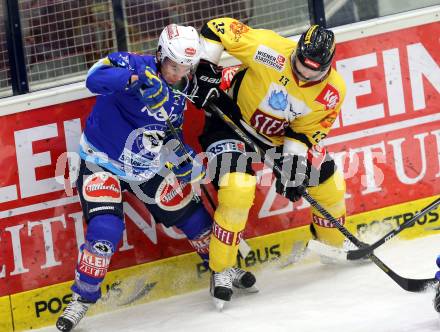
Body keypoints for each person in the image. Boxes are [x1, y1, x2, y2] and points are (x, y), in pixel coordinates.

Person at [56, 24, 256, 332]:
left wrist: (182, 159)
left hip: (144, 166)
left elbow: (164, 136)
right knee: (105, 230)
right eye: (173, 66)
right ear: (160, 55)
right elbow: (93, 78)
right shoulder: (133, 63)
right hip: (101, 161)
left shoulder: (178, 92)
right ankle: (82, 298)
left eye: (185, 68)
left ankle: (221, 266)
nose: (178, 74)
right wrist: (134, 80)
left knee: (192, 217)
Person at [190, 18, 348, 304]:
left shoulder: (332, 93)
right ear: (297, 51)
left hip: (277, 140)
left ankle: (334, 245)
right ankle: (221, 268)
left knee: (330, 183)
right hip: (230, 121)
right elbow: (217, 28)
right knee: (237, 188)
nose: (305, 74)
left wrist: (293, 165)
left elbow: (303, 132)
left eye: (316, 70)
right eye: (303, 64)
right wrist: (205, 68)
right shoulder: (269, 49)